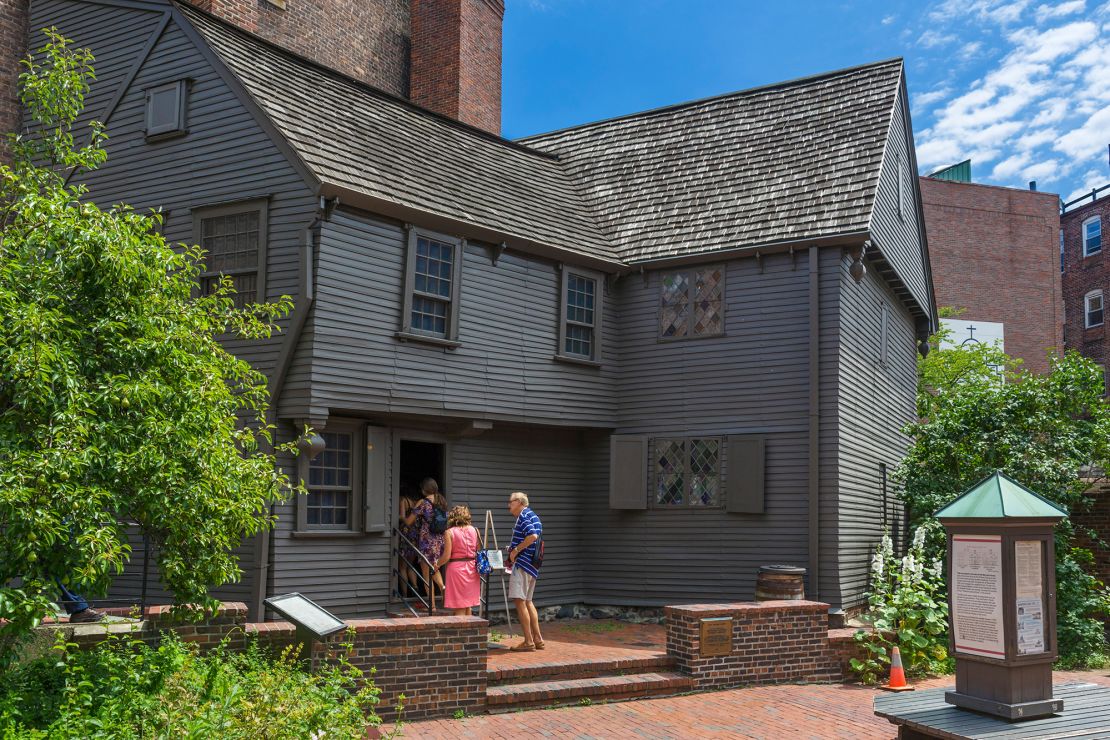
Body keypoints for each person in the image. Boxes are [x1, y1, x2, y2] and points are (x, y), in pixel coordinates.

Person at [507, 491, 544, 651]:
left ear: (520, 502)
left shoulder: (523, 516)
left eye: (511, 502)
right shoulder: (534, 516)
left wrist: (515, 551)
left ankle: (528, 641)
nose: (509, 505)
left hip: (522, 563)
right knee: (528, 602)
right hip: (532, 564)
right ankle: (538, 639)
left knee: (520, 601)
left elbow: (532, 536)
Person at [403, 477, 447, 612]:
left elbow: (409, 522)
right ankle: (443, 587)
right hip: (440, 541)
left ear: (424, 489)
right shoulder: (442, 501)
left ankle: (432, 606)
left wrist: (403, 519)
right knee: (435, 568)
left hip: (427, 542)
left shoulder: (423, 502)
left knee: (426, 573)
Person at [436, 504, 481, 616]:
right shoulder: (475, 530)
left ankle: (462, 632)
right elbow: (478, 551)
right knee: (467, 605)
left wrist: (436, 564)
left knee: (459, 606)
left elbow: (446, 556)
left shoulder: (449, 532)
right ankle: (471, 631)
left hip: (457, 570)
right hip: (472, 568)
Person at [397, 486, 422, 599]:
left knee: (402, 566)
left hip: (405, 534)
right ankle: (415, 586)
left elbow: (403, 517)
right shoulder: (417, 502)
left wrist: (397, 517)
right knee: (410, 565)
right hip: (415, 535)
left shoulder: (404, 500)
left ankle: (405, 594)